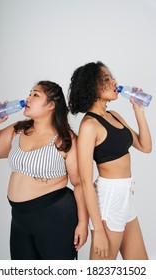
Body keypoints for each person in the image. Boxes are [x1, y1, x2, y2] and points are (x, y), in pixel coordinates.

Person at [0, 80, 88, 260]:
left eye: (35, 95)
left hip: (55, 217)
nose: (28, 98)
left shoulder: (65, 139)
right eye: (29, 93)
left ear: (51, 105)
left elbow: (80, 184)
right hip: (19, 218)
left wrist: (83, 223)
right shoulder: (18, 130)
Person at [68, 61, 152, 260]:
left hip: (126, 196)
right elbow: (86, 182)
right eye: (106, 79)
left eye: (111, 77)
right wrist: (97, 231)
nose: (114, 82)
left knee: (141, 266)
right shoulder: (89, 125)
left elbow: (145, 147)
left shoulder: (114, 115)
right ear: (92, 87)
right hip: (108, 200)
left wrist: (139, 112)